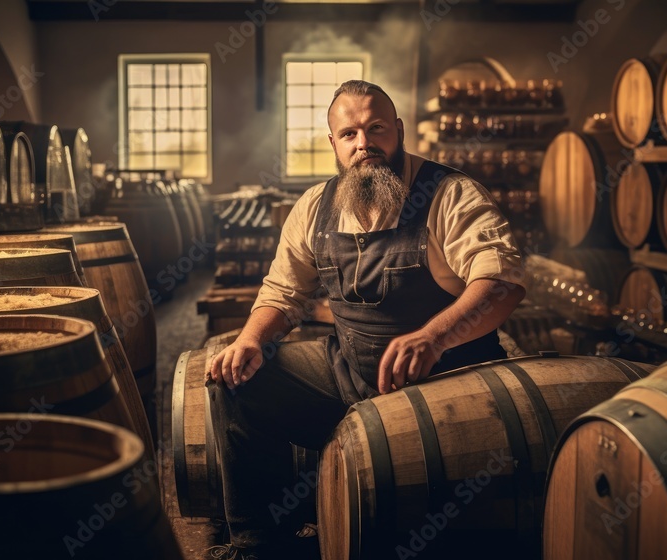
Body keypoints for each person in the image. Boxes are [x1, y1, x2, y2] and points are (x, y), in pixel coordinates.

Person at [204, 80, 525, 559]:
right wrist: (251, 339)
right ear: (333, 143)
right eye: (349, 133)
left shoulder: (449, 193)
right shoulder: (315, 206)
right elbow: (283, 291)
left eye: (376, 129)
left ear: (397, 129)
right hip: (352, 373)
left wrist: (435, 336)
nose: (364, 144)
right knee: (237, 379)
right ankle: (259, 546)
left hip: (450, 381)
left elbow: (501, 282)